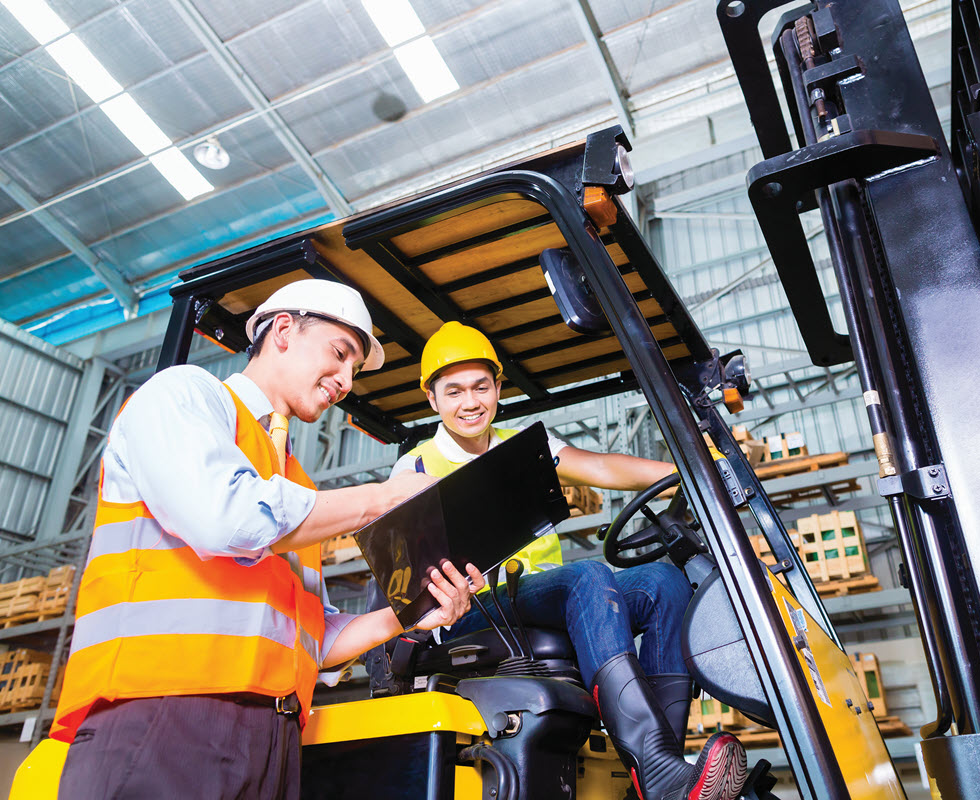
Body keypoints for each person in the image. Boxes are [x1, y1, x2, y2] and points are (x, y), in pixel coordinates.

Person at [51, 280, 483, 799]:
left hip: (273, 735)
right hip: (164, 716)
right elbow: (223, 519)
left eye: (354, 370)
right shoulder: (183, 396)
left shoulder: (296, 487)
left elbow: (312, 638)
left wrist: (412, 614)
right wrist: (380, 499)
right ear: (282, 330)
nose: (346, 381)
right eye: (340, 353)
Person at [385, 321, 748, 800]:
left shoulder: (525, 445)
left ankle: (661, 771)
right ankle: (652, 761)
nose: (470, 402)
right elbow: (405, 575)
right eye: (453, 392)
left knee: (663, 580)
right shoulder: (415, 468)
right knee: (589, 577)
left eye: (480, 387)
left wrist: (692, 475)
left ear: (497, 387)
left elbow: (599, 466)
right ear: (433, 399)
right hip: (470, 609)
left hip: (540, 595)